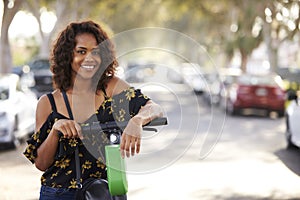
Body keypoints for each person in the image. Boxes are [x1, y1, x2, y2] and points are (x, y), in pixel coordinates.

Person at [23, 20, 163, 200]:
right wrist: (56, 130)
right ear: (67, 55)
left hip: (105, 193)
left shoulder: (111, 89)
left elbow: (154, 108)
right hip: (58, 194)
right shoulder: (48, 102)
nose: (90, 58)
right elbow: (41, 163)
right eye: (81, 51)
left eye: (96, 52)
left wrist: (137, 120)